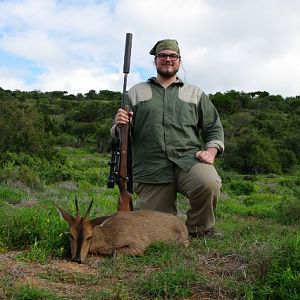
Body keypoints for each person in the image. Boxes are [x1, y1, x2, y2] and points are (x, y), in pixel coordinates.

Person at [112, 39, 224, 238]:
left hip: (188, 161)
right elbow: (120, 134)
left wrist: (211, 151)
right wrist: (119, 124)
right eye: (163, 56)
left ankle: (199, 229)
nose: (168, 59)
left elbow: (213, 127)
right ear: (155, 61)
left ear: (179, 61)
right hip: (150, 168)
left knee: (209, 182)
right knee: (159, 232)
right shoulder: (135, 92)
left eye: (173, 56)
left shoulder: (195, 93)